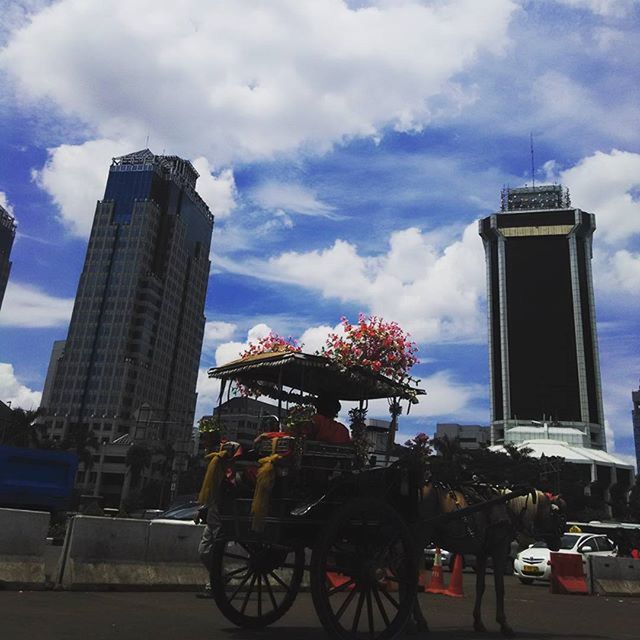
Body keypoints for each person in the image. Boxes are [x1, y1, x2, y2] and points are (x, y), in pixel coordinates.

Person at [194, 429, 224, 599]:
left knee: (210, 550)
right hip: (213, 509)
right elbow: (210, 487)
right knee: (204, 551)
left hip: (219, 510)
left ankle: (215, 583)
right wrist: (203, 508)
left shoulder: (223, 454)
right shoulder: (211, 457)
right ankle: (218, 579)